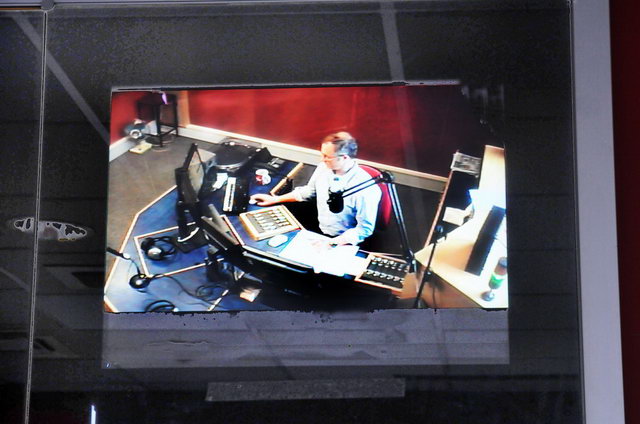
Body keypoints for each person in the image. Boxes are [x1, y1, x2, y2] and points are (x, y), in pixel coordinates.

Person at [250, 132, 381, 245]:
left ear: (344, 158)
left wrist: (333, 242)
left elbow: (364, 229)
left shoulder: (366, 189)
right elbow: (309, 191)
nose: (322, 160)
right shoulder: (324, 167)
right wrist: (276, 199)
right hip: (320, 228)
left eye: (327, 156)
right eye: (322, 154)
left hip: (343, 239)